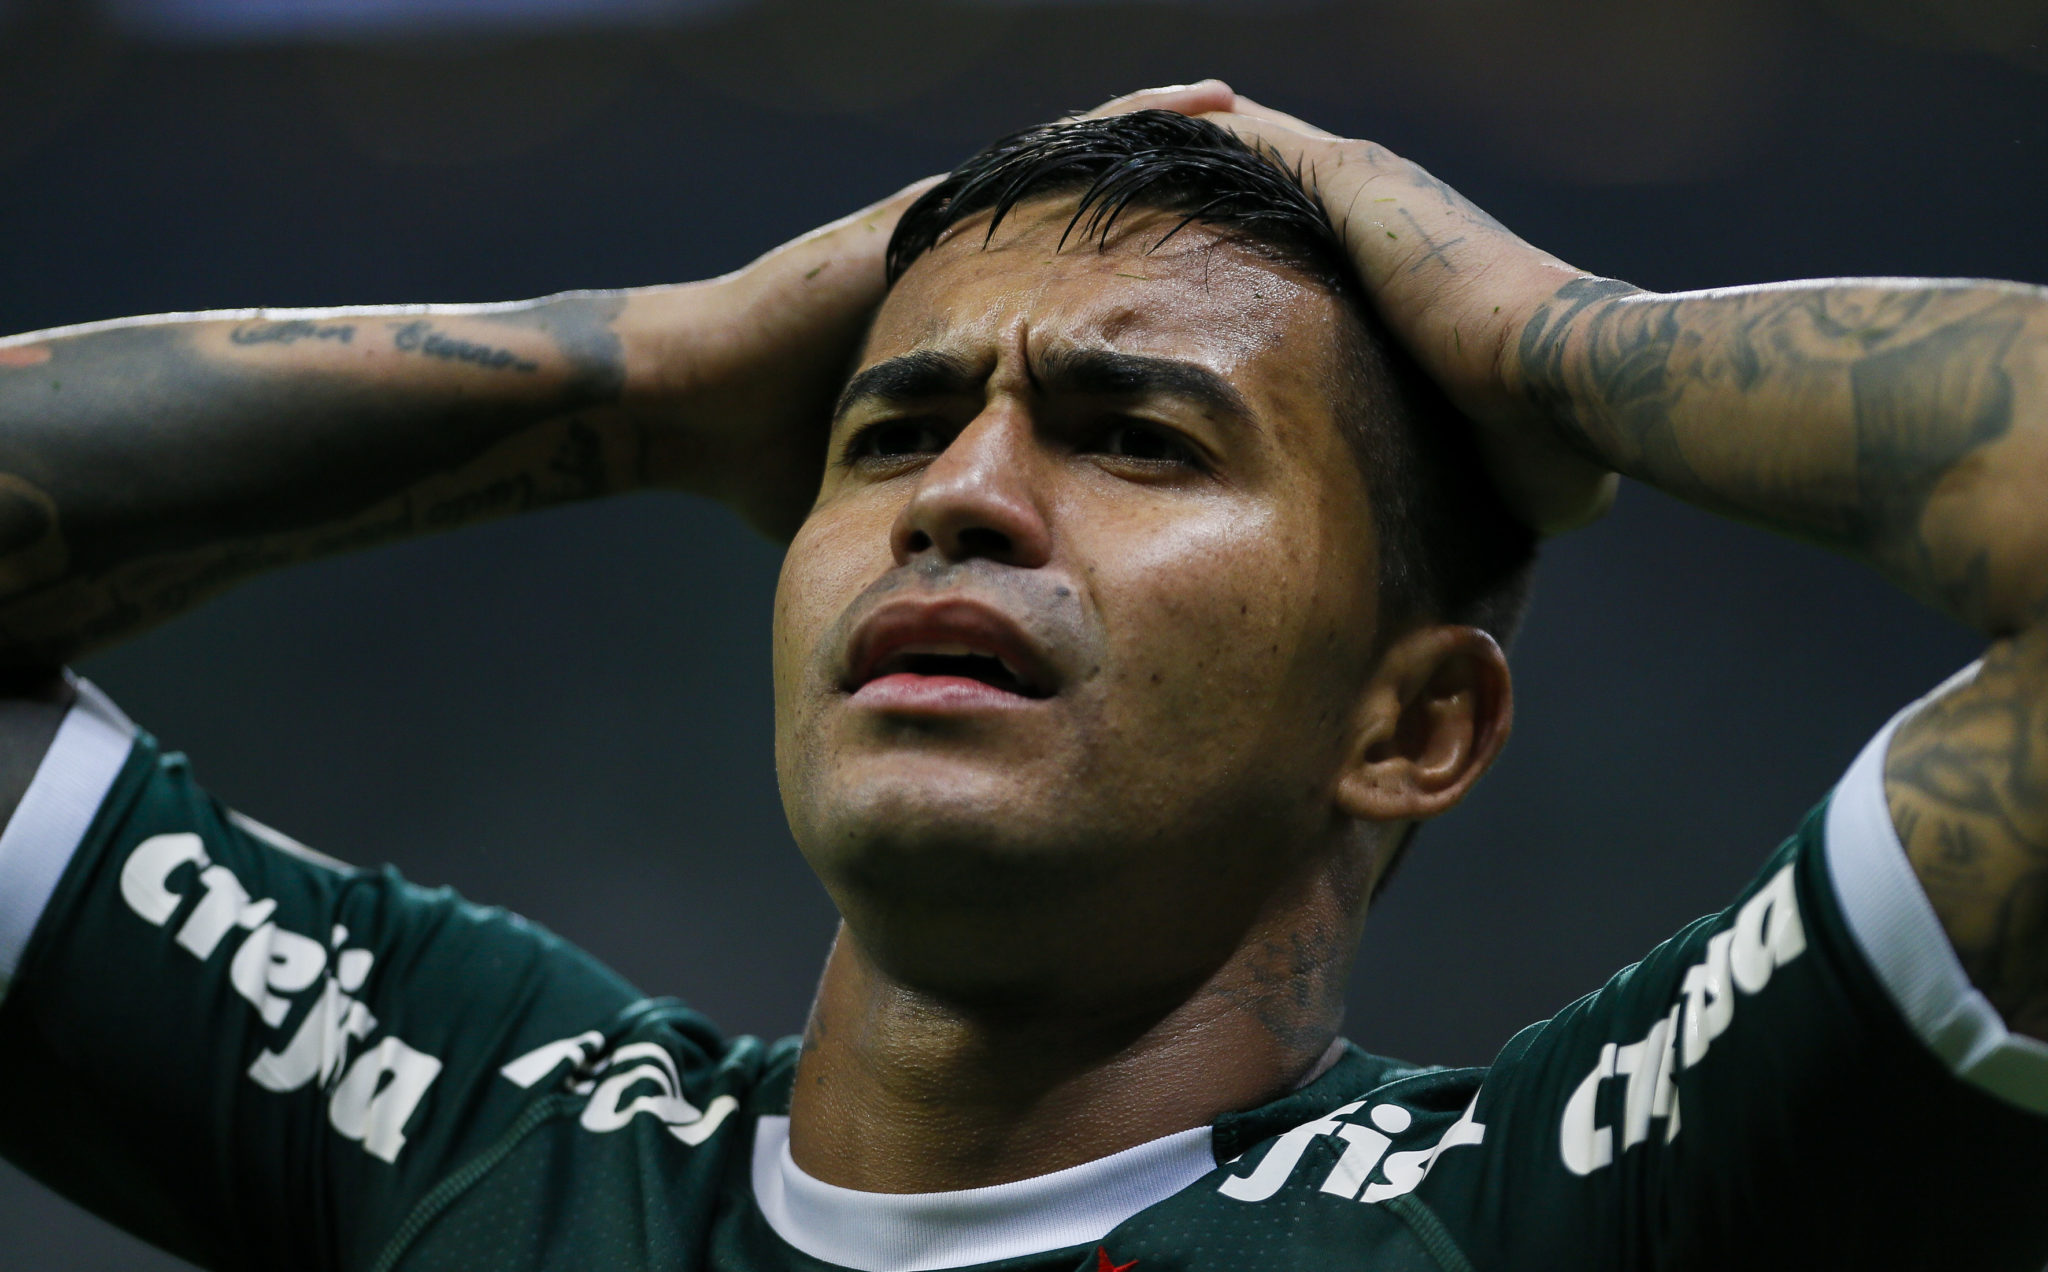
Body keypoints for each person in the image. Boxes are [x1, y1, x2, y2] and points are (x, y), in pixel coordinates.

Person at [0, 76, 2043, 1271]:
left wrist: (1543, 340)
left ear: (1415, 724)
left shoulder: (1537, 1210)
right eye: (884, 430)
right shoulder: (489, 1133)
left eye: (1139, 436)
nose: (959, 492)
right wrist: (667, 360)